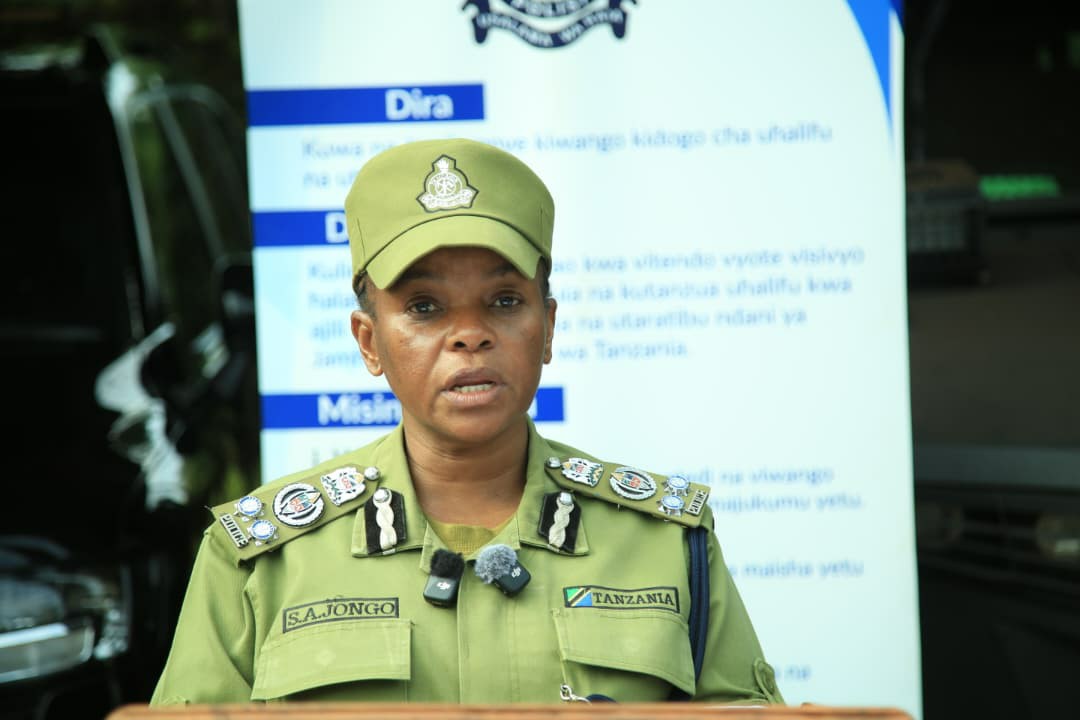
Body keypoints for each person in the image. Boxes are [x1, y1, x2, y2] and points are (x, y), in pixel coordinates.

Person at [150, 138, 783, 705]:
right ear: (369, 341)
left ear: (548, 328)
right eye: (424, 307)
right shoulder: (262, 561)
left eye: (505, 301)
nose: (470, 336)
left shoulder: (665, 544)